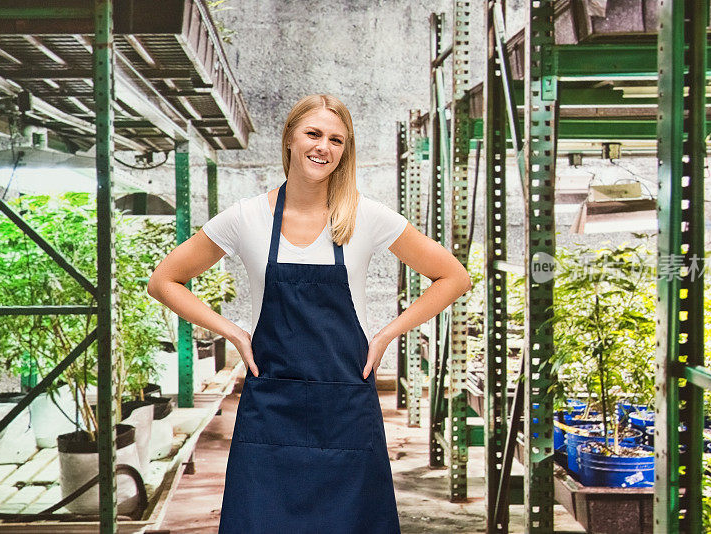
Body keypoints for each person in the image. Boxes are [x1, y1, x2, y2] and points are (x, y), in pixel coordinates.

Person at [147, 93, 471, 533]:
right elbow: (164, 280)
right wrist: (235, 333)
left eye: (337, 140)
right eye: (313, 134)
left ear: (345, 151)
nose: (324, 147)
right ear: (290, 141)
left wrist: (385, 335)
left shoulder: (365, 216)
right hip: (272, 411)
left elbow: (453, 277)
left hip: (344, 408)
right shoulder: (247, 218)